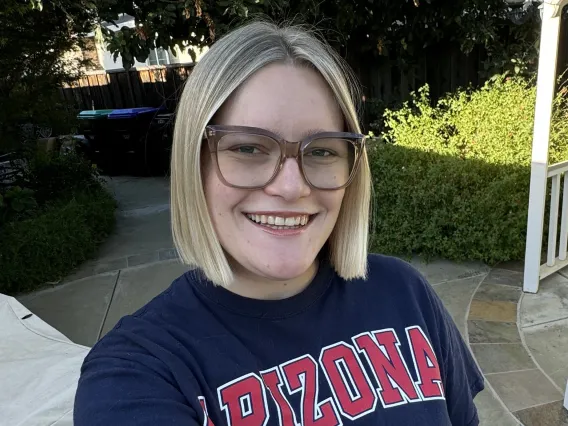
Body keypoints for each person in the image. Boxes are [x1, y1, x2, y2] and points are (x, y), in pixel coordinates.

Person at [74, 20, 484, 425]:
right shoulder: (135, 374)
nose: (292, 187)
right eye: (249, 147)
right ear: (191, 163)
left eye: (322, 151)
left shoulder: (404, 294)